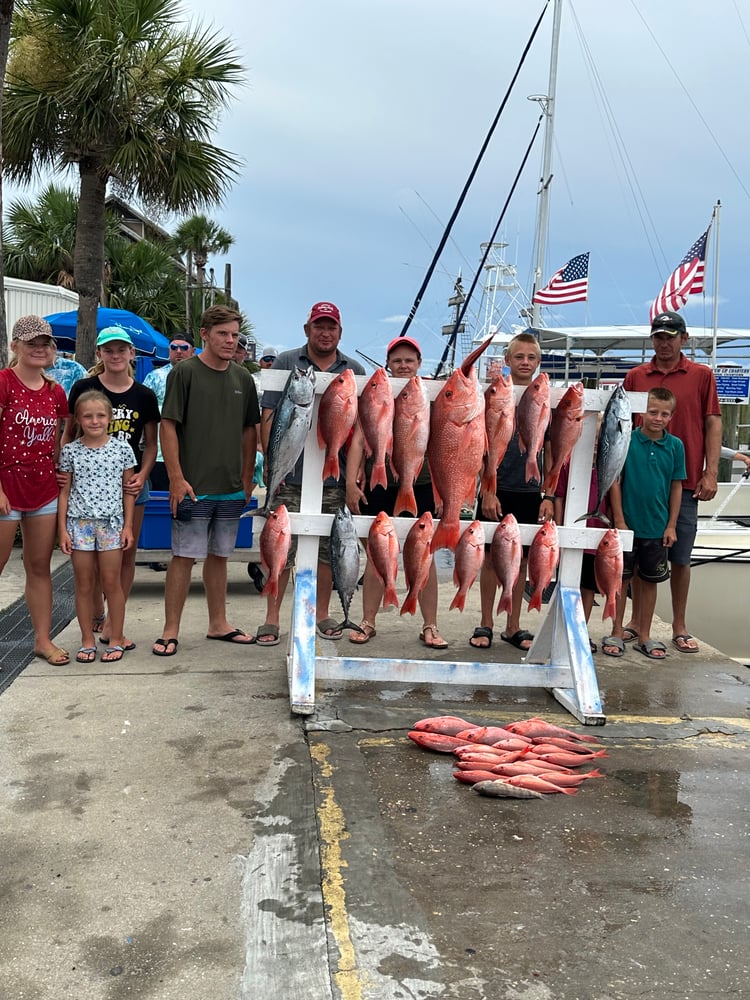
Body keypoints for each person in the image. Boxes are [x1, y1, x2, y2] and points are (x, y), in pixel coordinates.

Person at [255, 301, 365, 645]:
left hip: (334, 475)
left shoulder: (354, 368)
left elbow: (361, 429)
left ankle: (322, 612)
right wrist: (273, 464)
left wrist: (353, 477)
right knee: (279, 546)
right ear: (307, 330)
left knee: (328, 549)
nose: (325, 332)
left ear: (340, 332)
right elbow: (269, 416)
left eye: (331, 326)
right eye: (319, 326)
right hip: (289, 473)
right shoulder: (287, 362)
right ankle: (272, 617)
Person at [152, 304, 260, 656]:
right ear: (204, 335)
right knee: (183, 556)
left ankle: (219, 623)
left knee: (220, 555)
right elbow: (168, 425)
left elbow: (250, 432)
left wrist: (247, 478)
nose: (230, 341)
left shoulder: (243, 378)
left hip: (231, 487)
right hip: (192, 486)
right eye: (223, 334)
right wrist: (175, 477)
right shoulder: (184, 373)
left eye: (234, 335)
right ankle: (171, 629)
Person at [623, 311, 721, 653]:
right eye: (659, 336)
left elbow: (713, 422)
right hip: (639, 481)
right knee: (637, 552)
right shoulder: (636, 376)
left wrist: (710, 472)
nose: (665, 343)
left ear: (684, 338)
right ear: (652, 340)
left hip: (685, 480)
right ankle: (636, 622)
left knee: (681, 556)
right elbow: (621, 425)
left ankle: (679, 625)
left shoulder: (702, 375)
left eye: (671, 335)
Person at [345, 335, 447, 649]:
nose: (403, 366)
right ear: (388, 364)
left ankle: (430, 625)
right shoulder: (377, 393)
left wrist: (443, 490)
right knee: (378, 557)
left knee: (424, 557)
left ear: (419, 364)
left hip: (423, 484)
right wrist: (350, 482)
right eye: (397, 360)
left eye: (409, 360)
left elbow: (445, 447)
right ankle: (368, 621)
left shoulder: (431, 396)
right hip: (380, 483)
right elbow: (360, 440)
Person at [64, 327, 160, 648]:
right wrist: (63, 469)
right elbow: (68, 434)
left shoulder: (144, 396)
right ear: (100, 354)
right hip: (87, 486)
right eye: (110, 350)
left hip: (128, 482)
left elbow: (150, 444)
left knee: (125, 552)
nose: (116, 356)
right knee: (88, 560)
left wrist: (144, 474)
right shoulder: (83, 388)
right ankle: (96, 615)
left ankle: (113, 626)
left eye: (122, 350)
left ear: (132, 353)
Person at [469, 332, 553, 652]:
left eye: (531, 358)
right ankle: (486, 622)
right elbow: (480, 446)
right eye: (519, 357)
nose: (525, 363)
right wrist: (487, 491)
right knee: (491, 559)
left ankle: (513, 624)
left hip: (530, 491)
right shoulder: (494, 395)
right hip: (497, 488)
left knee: (520, 561)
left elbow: (551, 450)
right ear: (507, 361)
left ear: (539, 362)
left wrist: (548, 494)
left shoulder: (547, 398)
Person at [0, 315, 70, 665]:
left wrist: (61, 475)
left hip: (42, 489)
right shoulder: (4, 383)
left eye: (45, 343)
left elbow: (58, 440)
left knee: (39, 566)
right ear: (15, 346)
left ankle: (42, 639)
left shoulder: (56, 391)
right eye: (32, 343)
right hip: (6, 489)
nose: (40, 348)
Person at [602, 387, 686, 659]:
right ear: (641, 413)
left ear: (671, 416)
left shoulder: (675, 446)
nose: (657, 418)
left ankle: (645, 634)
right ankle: (616, 630)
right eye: (652, 412)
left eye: (664, 414)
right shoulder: (627, 439)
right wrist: (619, 519)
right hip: (627, 526)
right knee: (620, 580)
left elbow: (676, 486)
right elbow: (614, 478)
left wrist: (671, 524)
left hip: (657, 526)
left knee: (650, 581)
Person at [57, 391, 137, 664]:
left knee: (112, 582)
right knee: (84, 583)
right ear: (78, 419)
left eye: (100, 415)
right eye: (88, 416)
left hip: (111, 525)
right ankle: (87, 639)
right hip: (79, 525)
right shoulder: (70, 451)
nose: (94, 421)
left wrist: (128, 526)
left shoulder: (122, 449)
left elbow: (129, 491)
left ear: (110, 418)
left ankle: (116, 637)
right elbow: (64, 493)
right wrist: (62, 530)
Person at [143, 333, 195, 492]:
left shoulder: (200, 376)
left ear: (192, 351)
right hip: (160, 454)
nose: (178, 351)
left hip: (193, 455)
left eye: (183, 347)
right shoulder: (154, 377)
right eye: (174, 347)